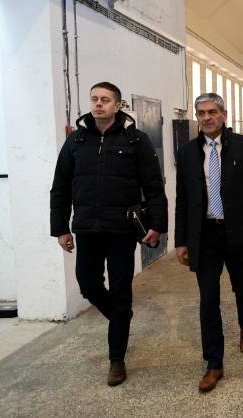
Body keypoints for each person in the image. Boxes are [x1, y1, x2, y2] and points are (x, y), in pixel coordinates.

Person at [50, 81, 167, 386]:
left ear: (118, 105)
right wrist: (60, 228)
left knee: (120, 290)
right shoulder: (76, 141)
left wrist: (157, 225)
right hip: (87, 228)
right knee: (88, 284)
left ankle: (117, 359)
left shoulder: (136, 140)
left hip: (121, 230)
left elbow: (153, 186)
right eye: (94, 99)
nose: (98, 104)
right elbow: (60, 187)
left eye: (105, 99)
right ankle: (120, 316)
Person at [174, 93, 243, 392]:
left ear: (224, 115)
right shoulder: (187, 153)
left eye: (212, 112)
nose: (206, 118)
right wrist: (181, 240)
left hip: (239, 233)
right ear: (196, 117)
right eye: (201, 113)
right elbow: (182, 200)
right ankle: (214, 363)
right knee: (208, 299)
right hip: (205, 236)